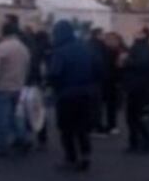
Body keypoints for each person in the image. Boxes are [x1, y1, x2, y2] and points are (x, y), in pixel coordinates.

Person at [48, 21, 100, 172]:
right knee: (82, 128)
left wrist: (54, 88)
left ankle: (70, 158)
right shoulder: (86, 48)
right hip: (86, 94)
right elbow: (98, 69)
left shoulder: (60, 51)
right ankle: (86, 156)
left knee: (66, 129)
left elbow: (54, 74)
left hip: (66, 95)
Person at [0, 21, 31, 157]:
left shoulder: (1, 48)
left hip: (2, 87)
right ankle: (21, 138)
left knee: (1, 118)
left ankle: (0, 146)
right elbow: (26, 67)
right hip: (17, 86)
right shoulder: (23, 48)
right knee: (15, 115)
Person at [122, 27, 149, 153]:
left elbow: (142, 64)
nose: (135, 33)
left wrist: (126, 61)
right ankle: (137, 143)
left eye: (138, 32)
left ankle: (143, 143)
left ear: (144, 35)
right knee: (135, 117)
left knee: (137, 117)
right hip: (138, 88)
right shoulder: (139, 47)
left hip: (140, 89)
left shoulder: (144, 48)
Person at [100, 32, 125, 135]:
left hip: (111, 81)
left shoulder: (116, 51)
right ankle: (111, 125)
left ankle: (111, 125)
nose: (107, 41)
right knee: (109, 106)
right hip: (110, 81)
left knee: (110, 105)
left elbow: (119, 67)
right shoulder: (111, 51)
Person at [87, 28, 109, 134]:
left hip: (91, 79)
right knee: (96, 105)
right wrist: (103, 74)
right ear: (97, 35)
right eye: (102, 34)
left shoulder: (90, 44)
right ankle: (96, 126)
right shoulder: (97, 46)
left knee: (94, 104)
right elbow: (98, 62)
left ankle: (94, 125)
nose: (103, 36)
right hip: (95, 80)